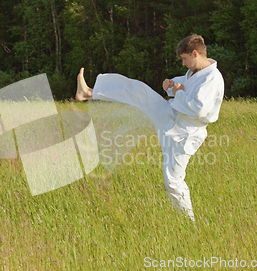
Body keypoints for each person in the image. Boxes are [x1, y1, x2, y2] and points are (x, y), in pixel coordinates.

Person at [75, 34, 224, 221]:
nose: (184, 64)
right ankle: (89, 92)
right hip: (171, 116)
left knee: (173, 182)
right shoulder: (195, 72)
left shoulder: (213, 78)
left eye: (185, 59)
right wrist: (170, 85)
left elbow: (200, 109)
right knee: (140, 91)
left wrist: (178, 93)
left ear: (195, 54)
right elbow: (181, 87)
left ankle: (190, 224)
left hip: (185, 133)